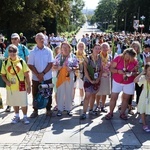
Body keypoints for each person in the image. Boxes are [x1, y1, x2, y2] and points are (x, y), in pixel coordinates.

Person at [1, 44, 31, 124]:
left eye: (14, 51)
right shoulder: (6, 62)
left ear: (17, 52)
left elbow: (27, 75)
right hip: (11, 87)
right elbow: (3, 75)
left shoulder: (21, 61)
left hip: (21, 86)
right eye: (10, 51)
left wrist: (29, 86)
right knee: (14, 102)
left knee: (23, 102)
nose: (12, 53)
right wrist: (6, 81)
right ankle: (17, 116)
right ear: (8, 52)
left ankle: (25, 117)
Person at [105, 48, 138, 120]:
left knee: (126, 98)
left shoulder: (134, 61)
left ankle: (122, 113)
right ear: (124, 54)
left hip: (129, 82)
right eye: (126, 56)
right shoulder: (118, 58)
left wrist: (132, 73)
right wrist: (117, 71)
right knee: (114, 97)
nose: (127, 59)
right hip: (117, 81)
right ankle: (110, 112)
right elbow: (111, 69)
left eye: (129, 58)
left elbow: (136, 72)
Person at [28, 32, 54, 118]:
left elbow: (50, 63)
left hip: (47, 77)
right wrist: (38, 74)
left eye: (43, 38)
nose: (41, 40)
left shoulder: (48, 51)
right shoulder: (32, 52)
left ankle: (48, 109)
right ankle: (35, 110)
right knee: (35, 93)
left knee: (48, 93)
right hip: (36, 78)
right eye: (39, 38)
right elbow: (30, 65)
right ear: (36, 40)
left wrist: (42, 74)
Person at [4, 33, 29, 112]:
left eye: (15, 39)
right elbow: (5, 59)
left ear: (19, 39)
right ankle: (10, 105)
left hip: (21, 74)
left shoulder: (24, 48)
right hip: (11, 73)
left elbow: (27, 60)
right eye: (12, 39)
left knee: (22, 92)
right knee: (11, 90)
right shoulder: (9, 48)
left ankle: (22, 107)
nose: (14, 40)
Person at [53, 42, 79, 117]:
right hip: (60, 76)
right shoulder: (58, 57)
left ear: (69, 48)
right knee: (60, 92)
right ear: (61, 49)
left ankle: (68, 109)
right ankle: (60, 109)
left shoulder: (73, 56)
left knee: (69, 92)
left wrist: (71, 68)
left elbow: (77, 66)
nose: (65, 49)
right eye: (63, 47)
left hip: (69, 76)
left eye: (66, 47)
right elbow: (53, 66)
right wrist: (58, 67)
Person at [80, 44, 103, 119]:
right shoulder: (87, 58)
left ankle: (91, 109)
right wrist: (90, 80)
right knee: (87, 95)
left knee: (93, 95)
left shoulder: (100, 58)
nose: (97, 50)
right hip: (88, 79)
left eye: (99, 49)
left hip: (96, 79)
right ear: (92, 49)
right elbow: (85, 70)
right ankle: (84, 112)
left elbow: (101, 70)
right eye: (96, 48)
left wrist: (98, 79)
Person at [96, 42, 112, 112]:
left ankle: (103, 105)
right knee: (98, 91)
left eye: (106, 47)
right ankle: (97, 105)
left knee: (105, 92)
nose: (105, 49)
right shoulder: (98, 56)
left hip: (107, 76)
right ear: (100, 49)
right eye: (103, 47)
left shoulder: (110, 57)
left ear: (108, 49)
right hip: (99, 76)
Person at [134, 63, 150, 132]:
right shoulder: (144, 77)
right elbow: (135, 80)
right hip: (145, 95)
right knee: (143, 109)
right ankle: (144, 124)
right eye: (149, 70)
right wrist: (141, 73)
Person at [52, 46, 61, 111]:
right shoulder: (54, 58)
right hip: (55, 76)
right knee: (56, 91)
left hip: (63, 77)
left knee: (63, 91)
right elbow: (52, 68)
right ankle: (57, 104)